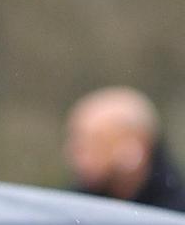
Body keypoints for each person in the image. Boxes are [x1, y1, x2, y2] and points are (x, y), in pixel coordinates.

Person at [64, 85, 185, 213]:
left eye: (95, 142)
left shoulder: (177, 215)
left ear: (133, 146)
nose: (73, 153)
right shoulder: (74, 207)